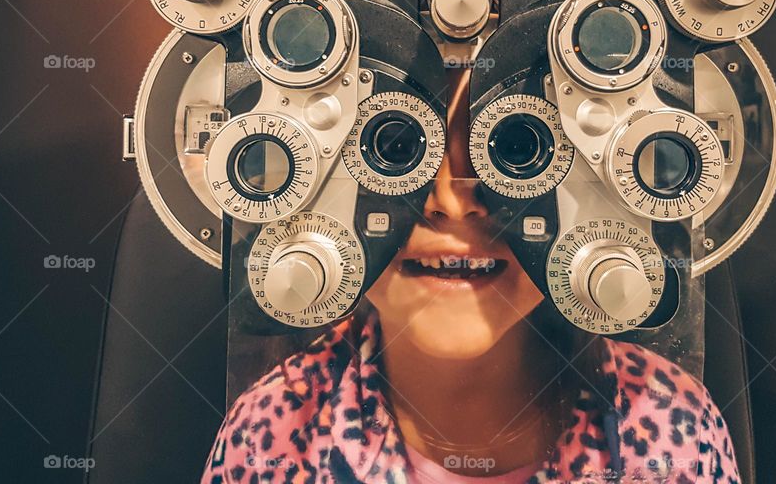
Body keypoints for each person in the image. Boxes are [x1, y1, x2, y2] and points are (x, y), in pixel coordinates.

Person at [201, 70, 740, 484]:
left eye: (515, 152)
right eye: (395, 152)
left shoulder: (667, 429)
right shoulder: (273, 434)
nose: (454, 204)